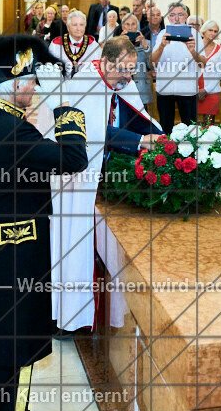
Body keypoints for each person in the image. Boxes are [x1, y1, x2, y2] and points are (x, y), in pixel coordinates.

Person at [0, 35, 89, 411]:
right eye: (30, 79)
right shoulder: (11, 127)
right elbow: (72, 160)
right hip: (17, 247)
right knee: (15, 336)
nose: (33, 86)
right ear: (12, 85)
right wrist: (68, 114)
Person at [50, 37, 162, 336]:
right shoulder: (85, 84)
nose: (129, 76)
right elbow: (97, 132)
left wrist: (163, 139)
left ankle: (93, 311)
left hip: (101, 178)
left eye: (132, 70)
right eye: (125, 70)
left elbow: (137, 117)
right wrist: (140, 142)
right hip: (78, 182)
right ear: (108, 63)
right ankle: (71, 317)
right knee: (76, 244)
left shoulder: (115, 82)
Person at [150, 2, 206, 133]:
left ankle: (190, 153)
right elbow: (152, 61)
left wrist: (192, 50)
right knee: (165, 127)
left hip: (187, 89)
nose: (176, 18)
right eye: (172, 15)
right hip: (165, 89)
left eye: (180, 15)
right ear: (168, 18)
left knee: (190, 129)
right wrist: (162, 46)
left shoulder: (195, 35)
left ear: (186, 16)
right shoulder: (162, 34)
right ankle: (165, 153)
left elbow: (203, 63)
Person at [48, 10, 99, 78]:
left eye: (81, 25)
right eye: (75, 25)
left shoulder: (93, 45)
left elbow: (97, 71)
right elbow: (50, 70)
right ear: (68, 27)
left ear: (85, 26)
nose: (78, 28)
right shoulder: (56, 44)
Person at [118, 12, 154, 107]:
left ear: (137, 26)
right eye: (127, 24)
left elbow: (152, 65)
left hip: (141, 89)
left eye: (133, 24)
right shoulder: (116, 43)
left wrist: (145, 47)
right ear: (122, 27)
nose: (130, 27)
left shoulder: (147, 43)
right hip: (122, 88)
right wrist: (120, 44)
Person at [196, 20, 221, 125]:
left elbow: (219, 73)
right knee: (192, 123)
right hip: (194, 89)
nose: (213, 33)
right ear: (204, 31)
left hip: (212, 90)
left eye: (215, 31)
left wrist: (206, 90)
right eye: (210, 30)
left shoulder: (220, 49)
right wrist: (197, 89)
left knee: (209, 124)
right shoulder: (195, 46)